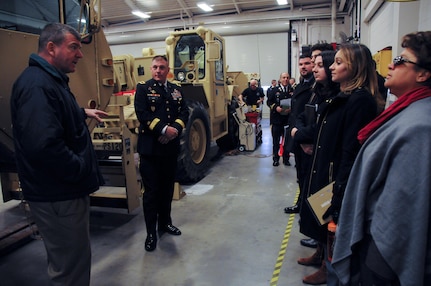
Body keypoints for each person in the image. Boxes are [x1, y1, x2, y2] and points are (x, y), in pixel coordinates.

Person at [10, 23, 108, 285]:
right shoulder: (37, 85)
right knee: (70, 269)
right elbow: (43, 145)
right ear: (51, 48)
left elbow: (53, 116)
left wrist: (81, 112)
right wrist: (79, 168)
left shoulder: (47, 81)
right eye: (74, 47)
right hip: (59, 194)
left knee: (73, 260)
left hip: (61, 192)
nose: (80, 54)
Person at [332, 31, 431, 286]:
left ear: (422, 74)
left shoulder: (420, 127)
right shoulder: (408, 110)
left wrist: (377, 261)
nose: (390, 64)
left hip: (384, 252)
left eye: (400, 59)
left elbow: (401, 212)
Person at [298, 43, 379, 285]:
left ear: (355, 68)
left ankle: (328, 265)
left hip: (336, 176)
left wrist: (340, 190)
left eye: (338, 62)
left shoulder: (359, 100)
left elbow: (349, 150)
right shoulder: (342, 97)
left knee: (331, 224)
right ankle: (322, 255)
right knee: (320, 221)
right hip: (326, 169)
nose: (332, 67)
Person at [291, 50, 339, 284]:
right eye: (316, 64)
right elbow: (302, 115)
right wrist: (299, 133)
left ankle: (326, 264)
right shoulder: (315, 92)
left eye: (321, 65)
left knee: (325, 212)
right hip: (311, 152)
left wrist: (302, 134)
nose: (319, 69)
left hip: (325, 159)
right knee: (316, 207)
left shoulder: (337, 96)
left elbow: (321, 126)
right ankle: (320, 253)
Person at [135, 55, 189, 252]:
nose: (158, 70)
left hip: (170, 148)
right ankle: (151, 233)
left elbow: (184, 112)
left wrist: (174, 129)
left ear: (168, 70)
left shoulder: (176, 90)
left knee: (167, 190)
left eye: (162, 67)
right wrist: (164, 130)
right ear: (151, 69)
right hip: (150, 150)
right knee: (151, 193)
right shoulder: (143, 88)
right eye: (155, 67)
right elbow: (143, 114)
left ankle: (165, 224)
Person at [283, 54, 315, 214]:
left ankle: (306, 206)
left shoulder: (316, 86)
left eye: (307, 63)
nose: (303, 67)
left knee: (307, 174)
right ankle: (301, 203)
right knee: (301, 173)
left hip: (307, 137)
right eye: (301, 64)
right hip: (297, 134)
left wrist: (304, 137)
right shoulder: (302, 85)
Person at [267, 72, 292, 166]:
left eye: (287, 77)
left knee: (287, 141)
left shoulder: (292, 90)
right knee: (276, 141)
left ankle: (286, 159)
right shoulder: (274, 90)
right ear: (280, 79)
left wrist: (292, 108)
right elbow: (269, 102)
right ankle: (276, 159)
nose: (285, 79)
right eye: (284, 77)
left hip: (287, 120)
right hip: (277, 120)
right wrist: (275, 107)